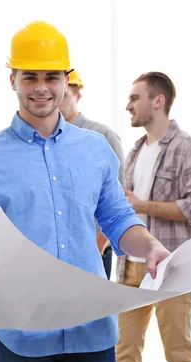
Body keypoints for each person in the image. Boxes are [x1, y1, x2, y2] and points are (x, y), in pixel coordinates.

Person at [0, 21, 171, 362]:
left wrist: (150, 247)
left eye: (51, 76)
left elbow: (117, 219)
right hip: (22, 334)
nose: (41, 87)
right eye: (29, 76)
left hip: (92, 332)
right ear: (12, 80)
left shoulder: (96, 149)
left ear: (66, 81)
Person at [116, 72, 191, 362]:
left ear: (158, 101)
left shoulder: (188, 147)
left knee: (179, 355)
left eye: (135, 98)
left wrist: (144, 205)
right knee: (123, 353)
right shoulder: (134, 152)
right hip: (130, 267)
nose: (128, 105)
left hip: (172, 267)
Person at [59, 69, 125, 279]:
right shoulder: (44, 139)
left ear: (78, 97)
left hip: (92, 247)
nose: (57, 102)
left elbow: (117, 195)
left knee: (92, 309)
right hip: (55, 249)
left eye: (65, 96)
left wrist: (99, 244)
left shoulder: (101, 136)